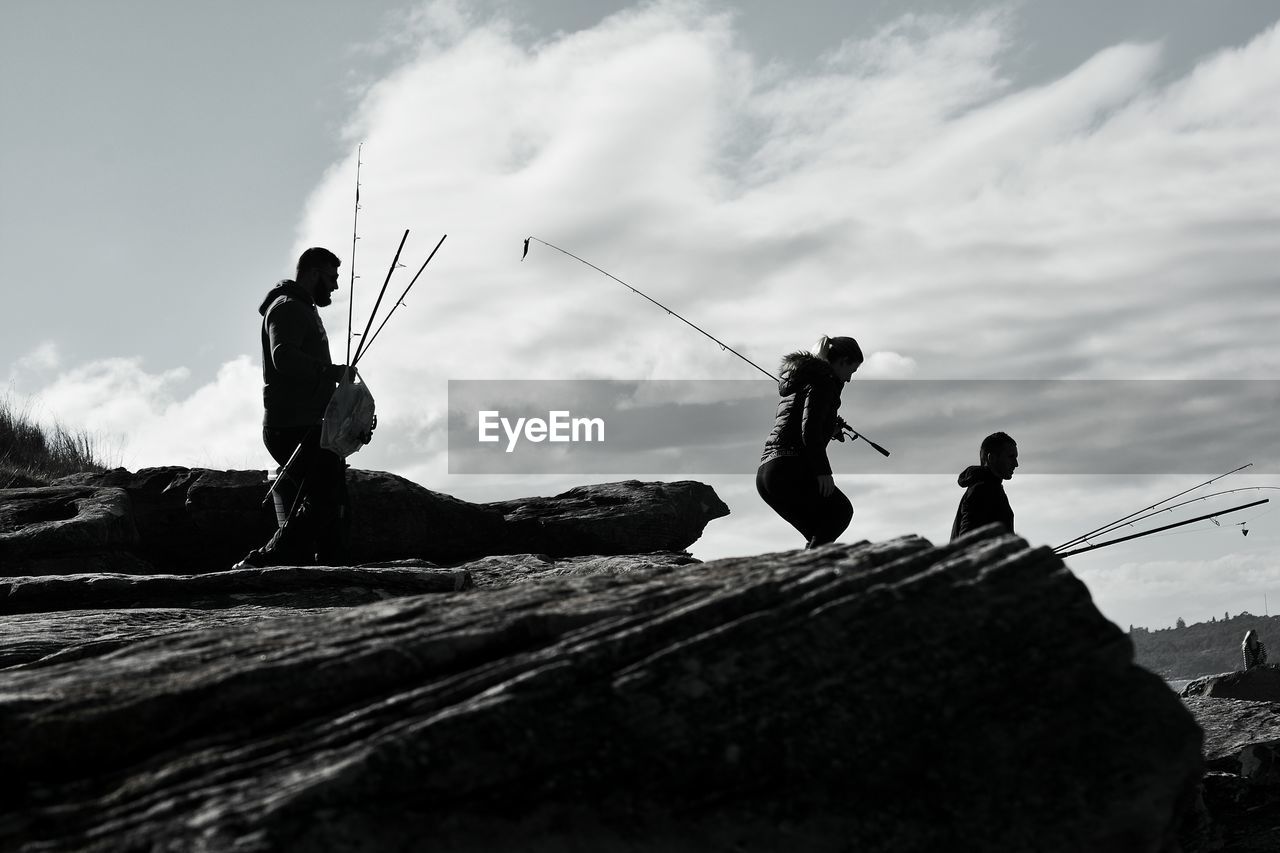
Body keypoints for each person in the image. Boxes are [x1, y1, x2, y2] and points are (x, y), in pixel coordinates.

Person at [235, 247, 351, 568]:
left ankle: (329, 565)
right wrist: (329, 371)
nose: (336, 286)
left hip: (308, 422)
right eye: (332, 278)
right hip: (293, 425)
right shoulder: (288, 308)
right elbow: (282, 356)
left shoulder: (303, 308)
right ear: (313, 273)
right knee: (325, 498)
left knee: (332, 494)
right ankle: (266, 559)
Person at [757, 335, 863, 549]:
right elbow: (810, 431)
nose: (849, 379)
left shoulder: (806, 379)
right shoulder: (823, 381)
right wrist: (823, 472)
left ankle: (808, 569)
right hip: (788, 468)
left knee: (820, 530)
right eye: (851, 371)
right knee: (841, 511)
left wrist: (829, 425)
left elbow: (801, 421)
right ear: (842, 361)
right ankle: (810, 572)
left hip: (767, 474)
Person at [951, 432, 1018, 541]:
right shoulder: (983, 490)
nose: (1016, 463)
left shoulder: (989, 487)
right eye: (1011, 457)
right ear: (991, 458)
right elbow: (967, 542)